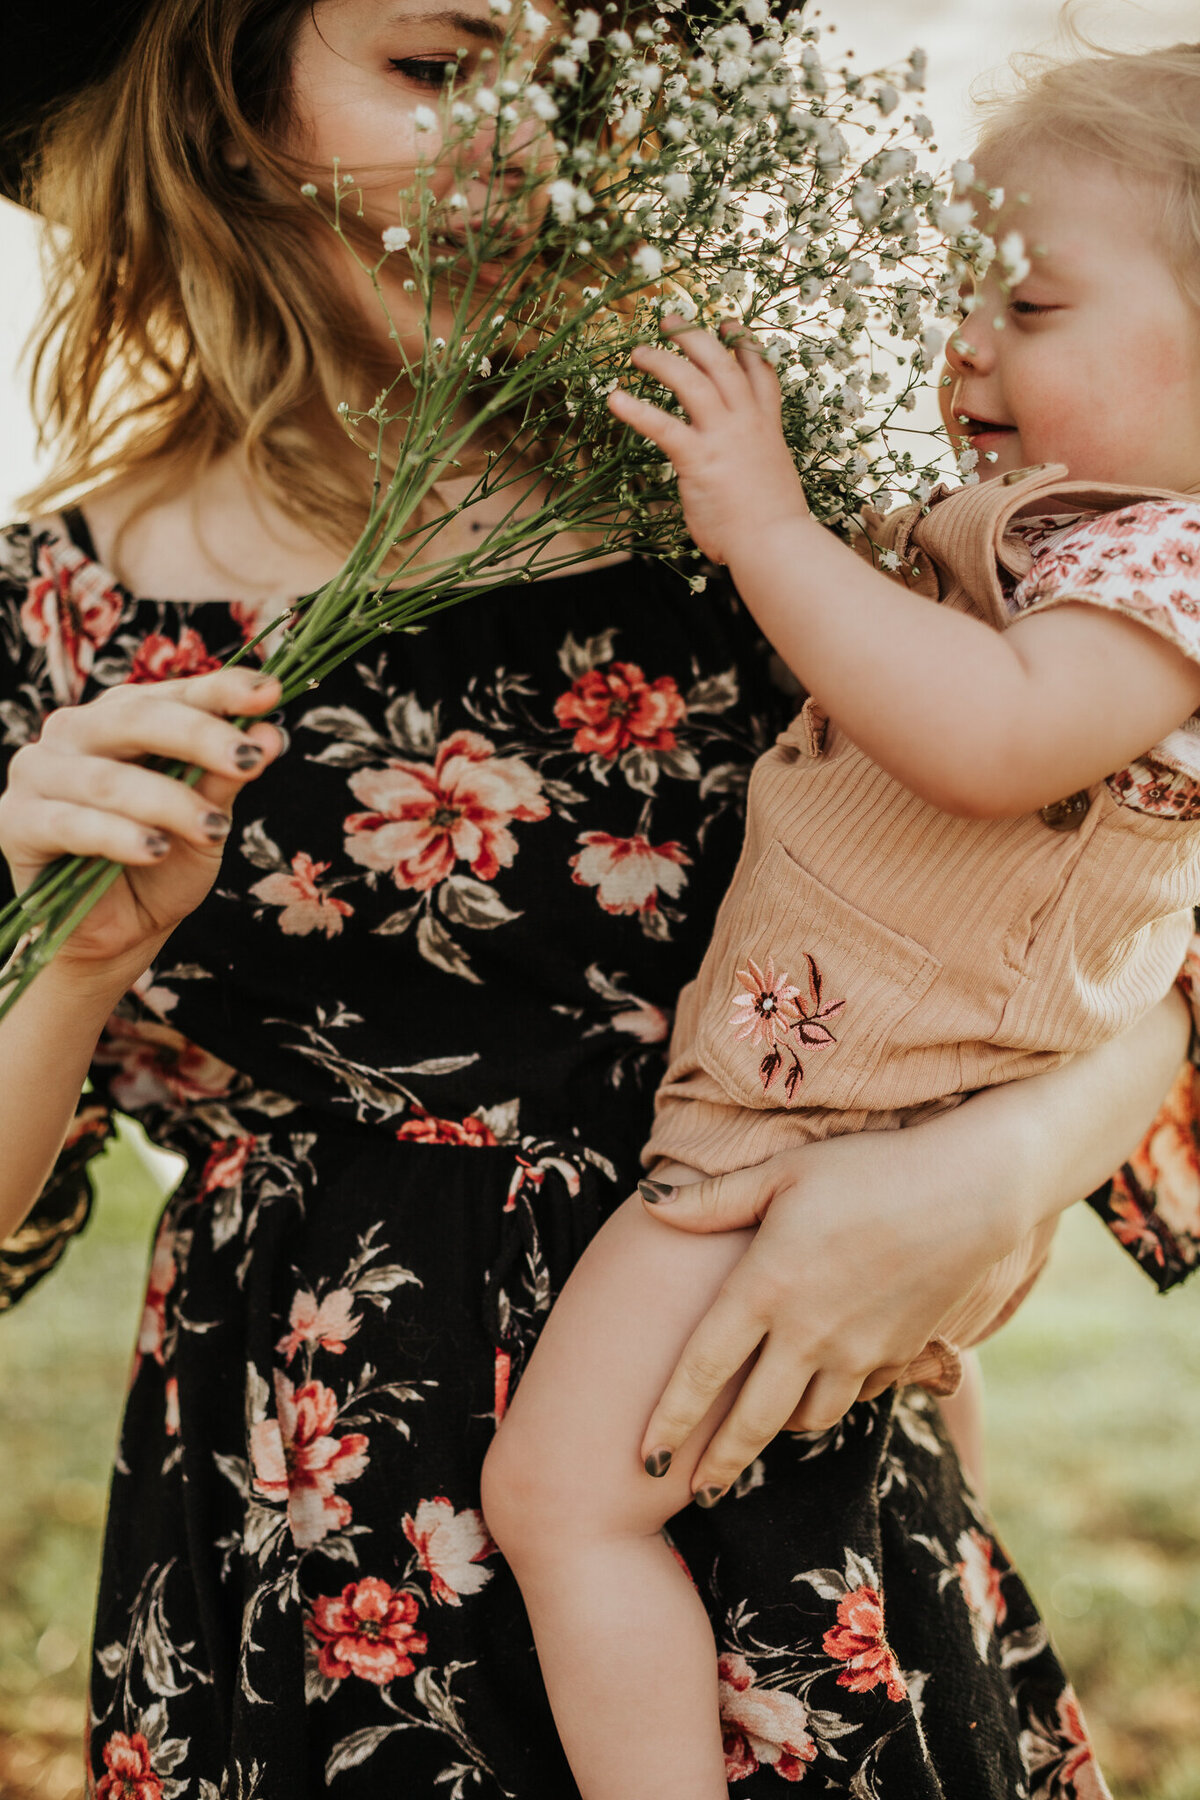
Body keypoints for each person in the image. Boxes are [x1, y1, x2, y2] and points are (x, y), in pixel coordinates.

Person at [0, 4, 1196, 1796]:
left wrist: (1005, 1163)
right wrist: (70, 963)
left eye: (575, 80)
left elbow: (1114, 908)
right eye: (435, 65)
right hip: (299, 1518)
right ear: (230, 103)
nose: (529, 148)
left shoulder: (767, 516)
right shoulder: (51, 623)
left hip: (754, 1470)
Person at [479, 34, 1200, 1800]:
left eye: (1026, 302)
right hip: (855, 1093)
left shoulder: (1163, 568)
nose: (965, 342)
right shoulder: (1074, 533)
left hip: (824, 1124)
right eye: (962, 290)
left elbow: (986, 740)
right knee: (864, 1469)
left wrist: (766, 526)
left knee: (561, 1500)